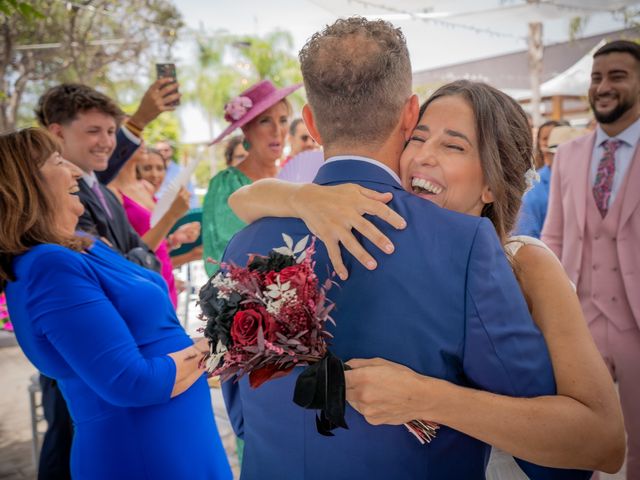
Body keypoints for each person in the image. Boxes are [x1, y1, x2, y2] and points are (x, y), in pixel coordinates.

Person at [218, 17, 590, 479]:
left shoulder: (244, 242)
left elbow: (241, 414)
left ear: (310, 123)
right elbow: (560, 464)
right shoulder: (463, 245)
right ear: (410, 114)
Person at [0, 128, 232, 480]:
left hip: (181, 438)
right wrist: (219, 343)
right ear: (25, 183)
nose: (76, 171)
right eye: (58, 161)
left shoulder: (80, 243)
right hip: (144, 452)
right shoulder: (48, 267)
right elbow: (131, 382)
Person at [33, 81, 176, 480]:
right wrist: (136, 264)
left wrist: (135, 263)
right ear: (57, 132)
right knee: (65, 440)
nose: (106, 142)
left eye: (111, 131)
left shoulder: (103, 192)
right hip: (81, 349)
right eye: (93, 131)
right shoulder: (57, 203)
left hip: (120, 349)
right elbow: (119, 270)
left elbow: (134, 262)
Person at [542, 39, 640, 480]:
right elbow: (554, 235)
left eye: (617, 76)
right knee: (582, 441)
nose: (603, 86)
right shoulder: (569, 155)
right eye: (597, 78)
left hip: (635, 321)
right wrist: (548, 313)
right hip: (579, 318)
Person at [201, 79, 301, 275]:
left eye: (282, 120)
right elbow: (222, 256)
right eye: (265, 121)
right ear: (247, 129)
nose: (277, 131)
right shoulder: (226, 184)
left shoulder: (295, 177)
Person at [108, 145, 200, 308]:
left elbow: (152, 239)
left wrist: (172, 240)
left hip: (165, 274)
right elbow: (134, 251)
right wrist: (172, 215)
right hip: (144, 280)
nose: (140, 140)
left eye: (160, 168)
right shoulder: (112, 193)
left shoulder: (145, 188)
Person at [515, 125, 587, 238]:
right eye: (568, 155)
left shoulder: (586, 184)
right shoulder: (534, 191)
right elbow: (526, 241)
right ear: (549, 156)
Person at [137, 148, 203, 267]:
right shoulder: (133, 207)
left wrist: (173, 241)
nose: (154, 174)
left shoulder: (156, 202)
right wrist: (191, 255)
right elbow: (138, 256)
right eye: (147, 168)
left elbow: (157, 253)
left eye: (160, 168)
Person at [155, 140, 199, 209]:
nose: (163, 153)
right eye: (159, 150)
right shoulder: (150, 172)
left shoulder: (181, 171)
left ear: (171, 151)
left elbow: (191, 196)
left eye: (166, 150)